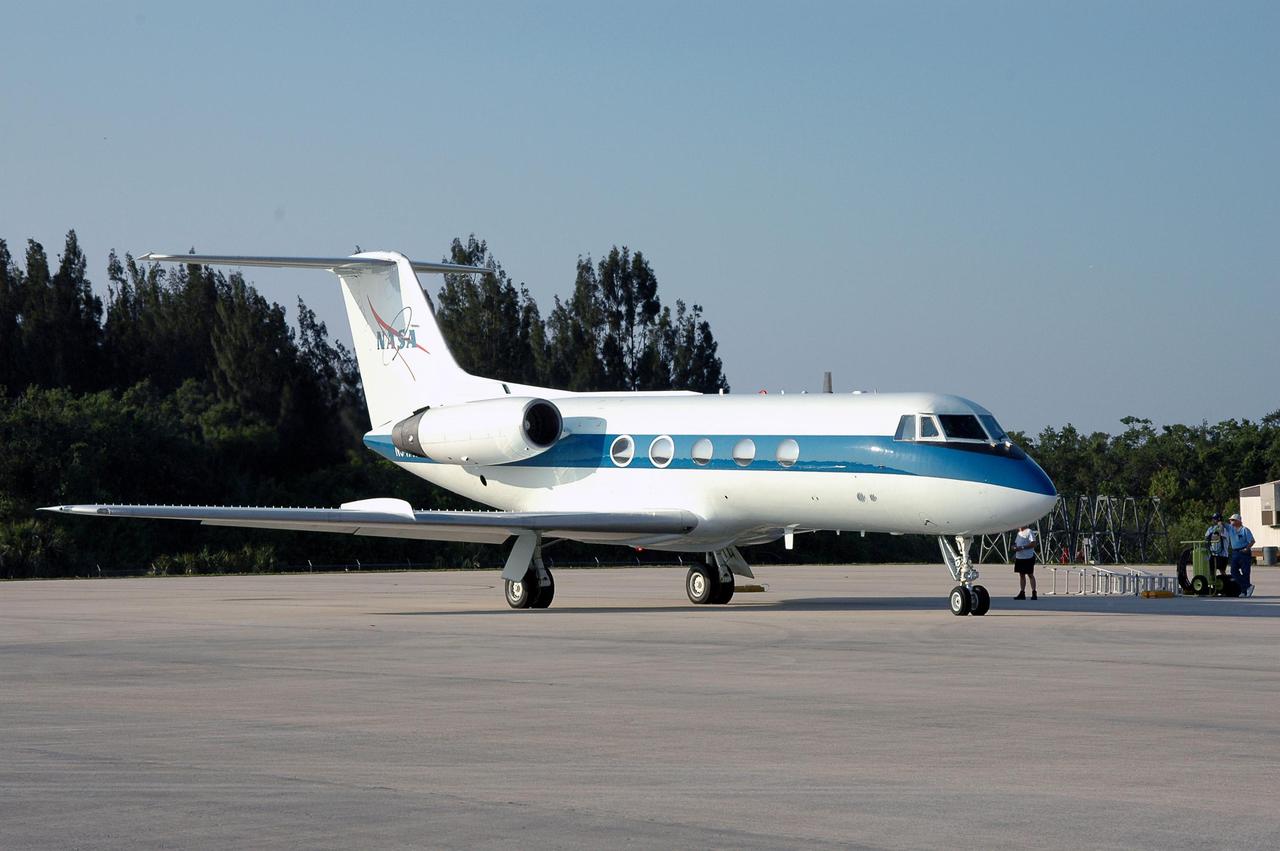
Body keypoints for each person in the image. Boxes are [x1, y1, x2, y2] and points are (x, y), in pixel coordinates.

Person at [1225, 513, 1256, 597]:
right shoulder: (1231, 529)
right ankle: (1248, 586)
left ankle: (1244, 591)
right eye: (1230, 520)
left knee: (1245, 572)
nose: (1231, 521)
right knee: (1233, 571)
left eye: (1233, 520)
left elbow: (1252, 541)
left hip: (1244, 552)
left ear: (1238, 521)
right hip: (1235, 552)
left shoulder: (1245, 530)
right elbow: (1223, 525)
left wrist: (1247, 548)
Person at [1013, 524, 1038, 600]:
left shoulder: (1029, 531)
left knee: (1030, 575)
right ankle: (1022, 592)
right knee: (1021, 575)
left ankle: (1034, 592)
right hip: (1020, 557)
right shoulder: (1019, 533)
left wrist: (1023, 547)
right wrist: (1014, 548)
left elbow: (1033, 543)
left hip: (1028, 557)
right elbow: (1016, 544)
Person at [1205, 512, 1231, 578]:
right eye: (1214, 519)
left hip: (1222, 555)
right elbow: (1206, 537)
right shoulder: (1211, 529)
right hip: (1213, 554)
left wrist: (1220, 525)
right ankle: (1213, 584)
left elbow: (1222, 532)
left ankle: (1226, 584)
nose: (1214, 521)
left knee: (1222, 570)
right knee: (1211, 570)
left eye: (1215, 519)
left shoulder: (1225, 529)